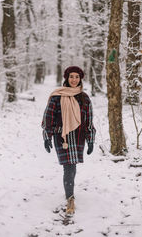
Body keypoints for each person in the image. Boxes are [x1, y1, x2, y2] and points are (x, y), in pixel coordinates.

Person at [41, 66, 96, 215]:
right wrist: (47, 136)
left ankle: (69, 192)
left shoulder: (84, 98)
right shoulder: (57, 96)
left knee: (72, 166)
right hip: (62, 137)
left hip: (78, 137)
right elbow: (49, 118)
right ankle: (70, 198)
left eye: (77, 77)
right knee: (68, 167)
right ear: (66, 78)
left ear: (80, 79)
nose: (74, 80)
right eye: (71, 76)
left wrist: (91, 139)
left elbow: (88, 121)